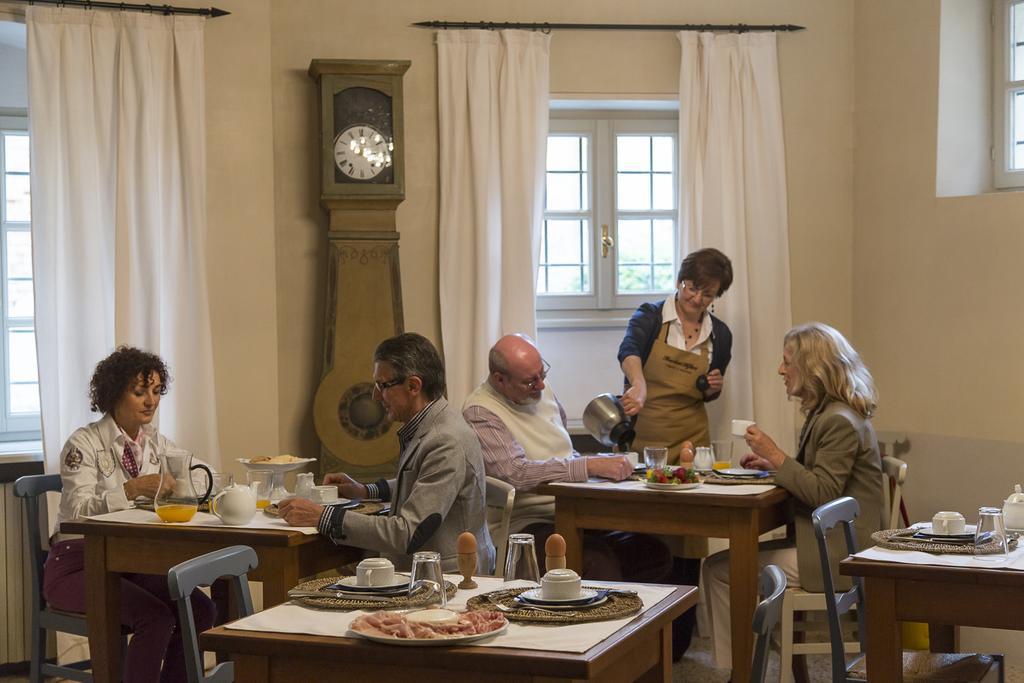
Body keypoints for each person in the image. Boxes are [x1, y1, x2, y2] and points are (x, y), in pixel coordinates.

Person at [702, 322, 885, 671]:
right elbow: (819, 479)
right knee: (725, 566)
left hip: (837, 556)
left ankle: (737, 671)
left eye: (787, 362)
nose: (780, 370)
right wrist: (773, 465)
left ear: (812, 368)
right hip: (830, 544)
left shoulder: (838, 420)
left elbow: (823, 492)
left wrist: (775, 454)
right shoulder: (830, 413)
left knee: (720, 570)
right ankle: (749, 661)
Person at [44, 346, 215, 683]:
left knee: (200, 609)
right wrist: (131, 490)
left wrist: (181, 480)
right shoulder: (83, 444)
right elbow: (76, 513)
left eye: (155, 391)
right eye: (139, 392)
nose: (150, 401)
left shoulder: (155, 442)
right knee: (156, 617)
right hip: (77, 564)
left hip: (128, 564)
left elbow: (201, 472)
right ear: (113, 393)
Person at [463, 334, 672, 582]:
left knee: (654, 553)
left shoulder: (541, 391)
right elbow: (516, 473)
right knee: (598, 561)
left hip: (574, 508)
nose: (540, 385)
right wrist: (589, 465)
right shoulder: (481, 411)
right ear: (500, 379)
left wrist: (600, 466)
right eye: (530, 381)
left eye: (543, 374)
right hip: (527, 524)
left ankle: (646, 621)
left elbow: (564, 451)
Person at [280, 333, 495, 573]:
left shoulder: (446, 441)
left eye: (383, 386)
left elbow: (407, 532)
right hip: (427, 571)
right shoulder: (438, 421)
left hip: (447, 581)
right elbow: (422, 481)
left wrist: (322, 516)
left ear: (414, 385)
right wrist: (365, 491)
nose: (374, 395)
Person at [616, 247, 734, 658]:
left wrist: (713, 386)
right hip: (646, 439)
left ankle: (678, 643)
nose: (696, 298)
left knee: (687, 543)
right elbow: (629, 351)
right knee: (645, 536)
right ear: (680, 280)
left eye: (708, 293)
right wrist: (639, 383)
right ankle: (638, 638)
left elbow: (710, 387)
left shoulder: (720, 334)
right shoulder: (651, 316)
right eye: (691, 287)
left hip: (690, 443)